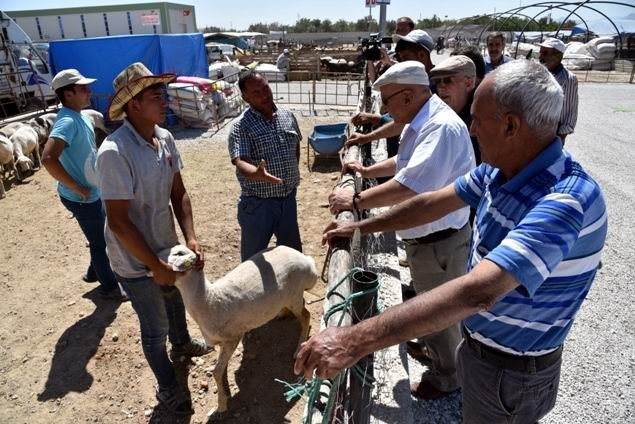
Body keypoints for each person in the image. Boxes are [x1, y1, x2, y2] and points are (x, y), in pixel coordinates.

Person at [295, 59, 607, 423]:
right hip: (483, 349)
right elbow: (434, 202)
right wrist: (365, 226)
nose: (471, 130)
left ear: (510, 125)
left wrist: (352, 340)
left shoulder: (563, 200)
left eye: (478, 119)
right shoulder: (500, 169)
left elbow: (478, 292)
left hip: (512, 369)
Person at [328, 61, 475, 400]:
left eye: (388, 102)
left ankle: (447, 377)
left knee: (436, 312)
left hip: (438, 241)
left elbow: (410, 185)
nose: (385, 110)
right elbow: (405, 163)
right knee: (432, 307)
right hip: (431, 238)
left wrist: (356, 199)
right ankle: (439, 355)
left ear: (407, 96)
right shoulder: (421, 118)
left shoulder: (439, 128)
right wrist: (366, 169)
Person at [97, 62, 211, 416]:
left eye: (161, 93)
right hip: (134, 258)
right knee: (153, 325)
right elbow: (118, 222)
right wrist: (153, 266)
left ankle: (182, 345)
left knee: (175, 301)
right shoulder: (114, 153)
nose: (164, 100)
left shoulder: (165, 138)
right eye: (154, 95)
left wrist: (190, 238)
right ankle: (167, 385)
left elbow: (179, 193)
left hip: (166, 244)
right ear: (133, 105)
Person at [41, 69, 125, 301]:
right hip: (82, 197)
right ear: (68, 94)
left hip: (89, 193)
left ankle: (93, 273)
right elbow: (48, 158)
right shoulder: (67, 121)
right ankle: (110, 287)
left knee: (98, 235)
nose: (89, 91)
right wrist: (77, 187)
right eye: (83, 89)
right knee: (100, 242)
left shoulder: (79, 116)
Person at [228, 72, 303, 261]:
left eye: (265, 88)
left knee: (292, 256)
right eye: (256, 92)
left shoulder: (287, 116)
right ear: (245, 98)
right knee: (254, 261)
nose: (264, 95)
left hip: (288, 200)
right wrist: (257, 173)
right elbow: (240, 162)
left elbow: (296, 146)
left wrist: (292, 172)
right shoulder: (241, 126)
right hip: (259, 205)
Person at [349, 29, 437, 148]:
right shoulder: (412, 80)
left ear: (421, 55)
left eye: (405, 57)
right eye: (400, 58)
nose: (401, 63)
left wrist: (377, 120)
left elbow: (410, 123)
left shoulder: (436, 85)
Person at [430, 55, 482, 165]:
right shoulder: (442, 112)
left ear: (468, 83)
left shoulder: (482, 119)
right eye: (438, 81)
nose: (441, 87)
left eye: (448, 81)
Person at [539, 37, 578, 143]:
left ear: (557, 56)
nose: (540, 57)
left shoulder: (568, 79)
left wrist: (560, 139)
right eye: (540, 52)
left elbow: (569, 111)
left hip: (552, 132)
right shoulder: (537, 73)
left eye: (545, 53)